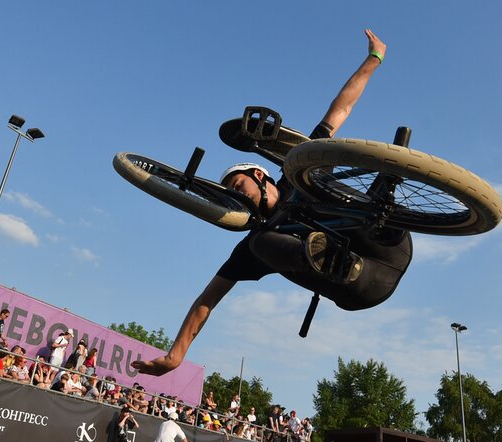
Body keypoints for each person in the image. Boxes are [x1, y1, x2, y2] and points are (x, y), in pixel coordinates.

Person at [131, 30, 408, 378]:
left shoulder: (299, 172)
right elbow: (207, 301)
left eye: (237, 184)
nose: (235, 193)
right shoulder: (252, 245)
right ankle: (332, 259)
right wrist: (175, 356)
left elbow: (342, 107)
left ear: (260, 175)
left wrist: (374, 58)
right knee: (262, 241)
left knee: (324, 181)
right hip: (363, 284)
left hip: (388, 244)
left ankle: (385, 204)